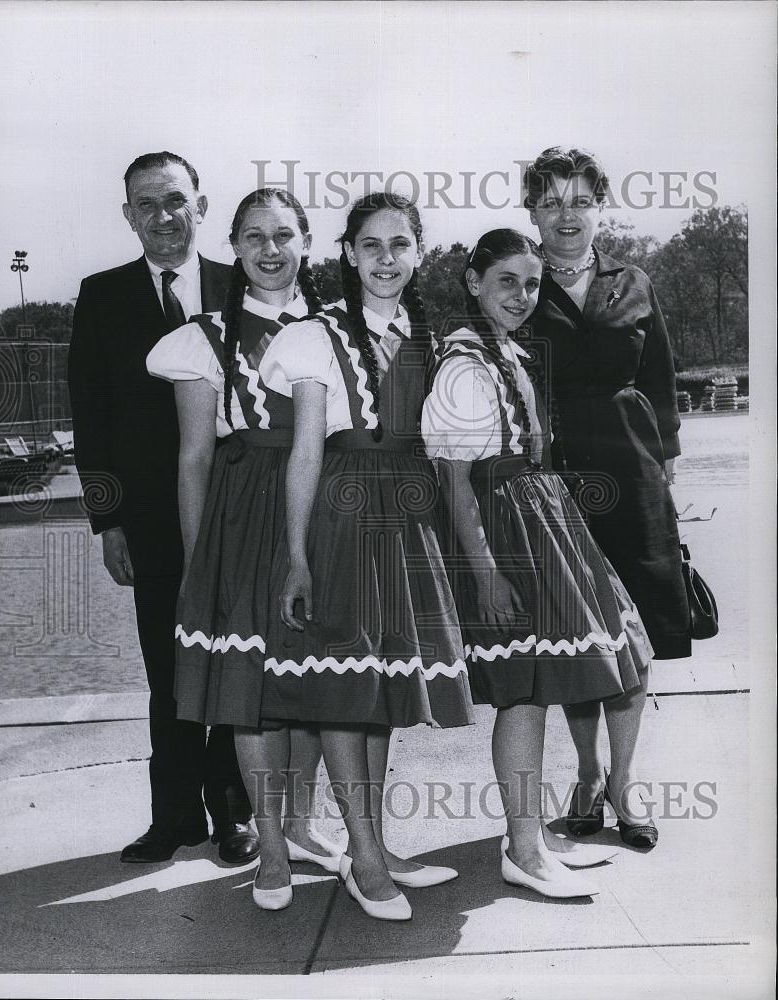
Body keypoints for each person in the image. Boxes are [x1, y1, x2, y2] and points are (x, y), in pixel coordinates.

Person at [251, 192, 474, 920]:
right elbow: (306, 451)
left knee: (382, 688)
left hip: (408, 520)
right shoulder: (317, 336)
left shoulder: (424, 334)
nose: (385, 258)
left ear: (417, 254)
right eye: (370, 245)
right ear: (346, 254)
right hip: (344, 517)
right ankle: (365, 857)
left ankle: (370, 842)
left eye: (400, 244)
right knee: (346, 685)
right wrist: (296, 556)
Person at [421, 229, 653, 898]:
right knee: (522, 689)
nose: (522, 295)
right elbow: (454, 480)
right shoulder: (465, 365)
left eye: (531, 283)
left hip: (541, 519)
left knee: (546, 683)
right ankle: (523, 849)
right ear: (473, 282)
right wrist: (486, 571)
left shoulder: (505, 352)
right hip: (506, 533)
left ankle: (531, 837)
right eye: (506, 282)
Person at [146, 187, 343, 880]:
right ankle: (269, 843)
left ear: (307, 244)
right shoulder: (201, 337)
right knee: (252, 682)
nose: (269, 249)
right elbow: (194, 456)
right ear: (233, 247)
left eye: (283, 235)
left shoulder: (335, 326)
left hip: (329, 512)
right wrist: (203, 560)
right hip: (245, 515)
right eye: (254, 236)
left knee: (320, 675)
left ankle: (304, 821)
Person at [68, 151, 258, 864]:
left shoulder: (241, 287)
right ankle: (174, 816)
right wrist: (106, 520)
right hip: (147, 521)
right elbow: (90, 418)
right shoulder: (101, 296)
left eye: (174, 200)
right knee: (168, 668)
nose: (163, 216)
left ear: (200, 206)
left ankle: (233, 813)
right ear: (128, 216)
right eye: (145, 204)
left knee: (237, 662)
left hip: (238, 511)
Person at [525, 147, 689, 847]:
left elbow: (661, 377)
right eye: (551, 200)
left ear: (600, 206)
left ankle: (624, 783)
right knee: (577, 630)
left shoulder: (635, 281)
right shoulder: (520, 282)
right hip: (554, 477)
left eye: (580, 199)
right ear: (532, 210)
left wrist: (667, 461)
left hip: (633, 468)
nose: (567, 214)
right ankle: (586, 775)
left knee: (639, 632)